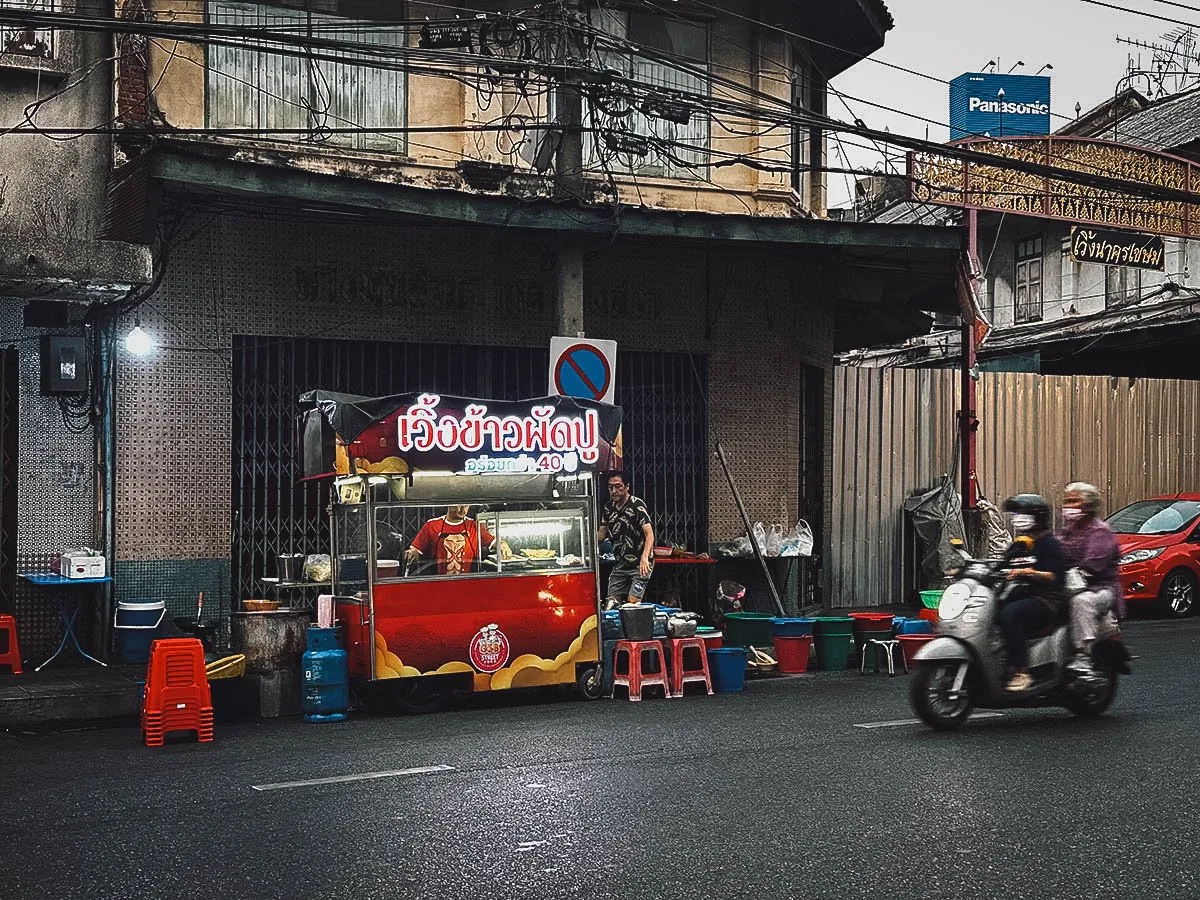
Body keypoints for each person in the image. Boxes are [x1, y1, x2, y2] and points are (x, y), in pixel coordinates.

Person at [996, 494, 1068, 692]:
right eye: (1016, 514)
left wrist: (1029, 573)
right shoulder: (1020, 544)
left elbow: (1055, 577)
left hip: (1045, 600)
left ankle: (1022, 671)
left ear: (1038, 517)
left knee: (1010, 615)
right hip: (1018, 594)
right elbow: (998, 566)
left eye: (1023, 514)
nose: (1017, 518)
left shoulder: (1048, 544)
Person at [1057, 481, 1124, 675]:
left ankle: (1083, 655)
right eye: (1067, 501)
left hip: (1100, 589)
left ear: (1088, 505)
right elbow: (1056, 550)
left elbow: (1094, 564)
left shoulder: (1100, 531)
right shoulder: (1068, 530)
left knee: (1082, 602)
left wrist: (1070, 570)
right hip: (1070, 584)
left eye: (1074, 501)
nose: (1068, 506)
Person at [596, 471, 655, 609]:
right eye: (610, 487)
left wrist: (645, 557)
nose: (614, 491)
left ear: (627, 487)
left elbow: (649, 534)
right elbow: (602, 534)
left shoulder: (637, 505)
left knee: (632, 604)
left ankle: (635, 630)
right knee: (611, 603)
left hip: (640, 565)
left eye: (618, 486)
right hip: (620, 564)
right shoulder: (608, 508)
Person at [404, 505, 511, 575]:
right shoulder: (432, 525)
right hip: (437, 583)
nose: (462, 510)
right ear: (449, 505)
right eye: (459, 505)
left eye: (465, 506)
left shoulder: (474, 526)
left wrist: (502, 544)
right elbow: (416, 550)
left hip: (468, 582)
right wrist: (411, 553)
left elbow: (493, 542)